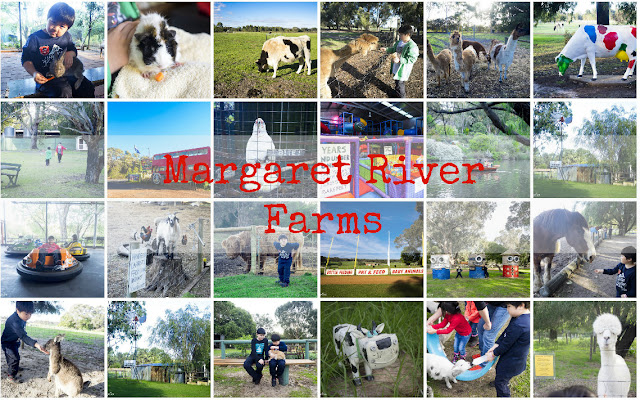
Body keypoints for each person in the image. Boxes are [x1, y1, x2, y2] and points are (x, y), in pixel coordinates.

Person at [21, 2, 94, 98]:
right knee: (63, 92)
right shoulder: (35, 38)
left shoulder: (67, 37)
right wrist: (34, 73)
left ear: (67, 29)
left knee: (87, 86)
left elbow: (73, 50)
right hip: (47, 79)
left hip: (67, 74)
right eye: (53, 22)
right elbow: (26, 59)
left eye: (62, 26)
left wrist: (70, 53)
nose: (55, 28)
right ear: (47, 19)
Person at [485, 301, 530, 397]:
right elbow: (506, 332)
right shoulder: (520, 318)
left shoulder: (519, 325)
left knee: (500, 382)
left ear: (521, 305)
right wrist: (496, 344)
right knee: (501, 372)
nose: (507, 309)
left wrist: (493, 354)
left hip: (512, 361)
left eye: (509, 306)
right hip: (514, 358)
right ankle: (502, 380)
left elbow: (506, 344)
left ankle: (503, 391)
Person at [2, 301, 49, 383]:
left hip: (15, 342)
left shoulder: (22, 318)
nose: (29, 316)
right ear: (18, 310)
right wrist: (37, 345)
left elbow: (22, 332)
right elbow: (23, 336)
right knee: (14, 359)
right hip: (8, 343)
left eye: (31, 314)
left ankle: (15, 367)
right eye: (27, 314)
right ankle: (11, 376)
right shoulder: (14, 321)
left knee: (16, 357)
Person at [380, 25, 419, 98]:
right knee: (397, 82)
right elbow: (394, 50)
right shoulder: (399, 42)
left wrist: (400, 59)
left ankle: (401, 97)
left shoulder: (412, 46)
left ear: (407, 35)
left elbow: (412, 59)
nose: (399, 36)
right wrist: (387, 49)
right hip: (396, 66)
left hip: (403, 69)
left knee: (400, 84)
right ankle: (397, 93)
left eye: (401, 34)